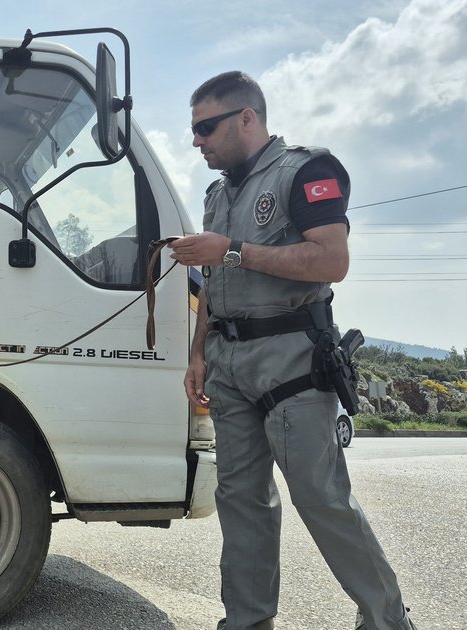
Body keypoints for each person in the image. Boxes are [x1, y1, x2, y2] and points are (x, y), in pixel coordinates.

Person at [167, 71, 416, 630]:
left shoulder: (305, 171)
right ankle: (246, 623)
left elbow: (331, 262)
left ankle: (386, 621)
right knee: (241, 504)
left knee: (322, 499)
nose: (197, 141)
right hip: (229, 362)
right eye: (194, 130)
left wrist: (230, 251)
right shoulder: (217, 193)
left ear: (247, 118)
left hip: (292, 362)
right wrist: (198, 352)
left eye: (206, 127)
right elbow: (213, 282)